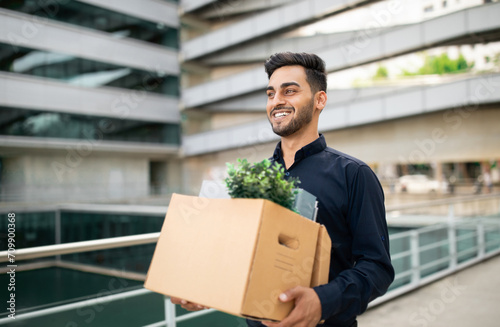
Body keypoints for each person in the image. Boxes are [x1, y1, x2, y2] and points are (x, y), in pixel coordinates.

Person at [173, 52, 395, 327]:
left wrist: (322, 301)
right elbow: (239, 256)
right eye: (270, 94)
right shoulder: (252, 178)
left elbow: (377, 268)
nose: (277, 101)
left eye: (289, 91)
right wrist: (206, 286)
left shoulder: (353, 175)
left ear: (319, 100)